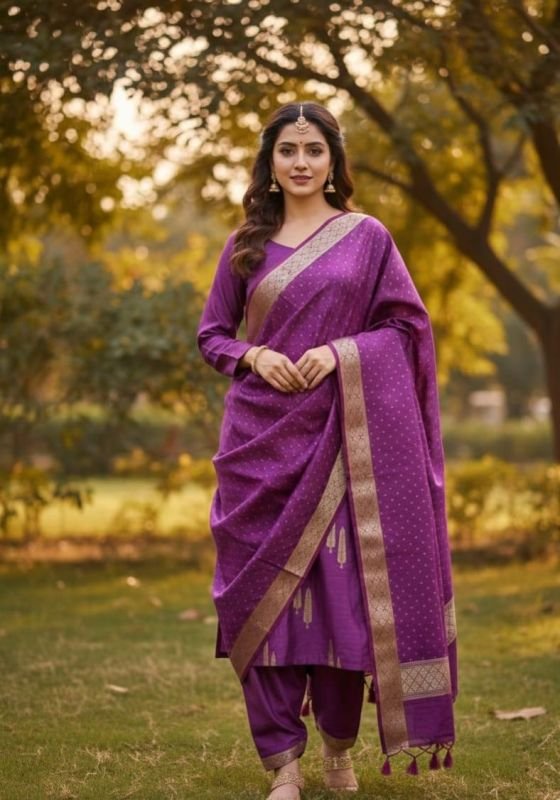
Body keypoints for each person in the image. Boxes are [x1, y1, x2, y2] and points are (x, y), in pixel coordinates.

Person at [196, 101, 458, 800]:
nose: (302, 162)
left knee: (342, 606)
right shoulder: (246, 245)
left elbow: (406, 329)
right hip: (258, 448)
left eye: (315, 149)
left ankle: (339, 749)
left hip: (344, 446)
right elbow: (212, 334)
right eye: (288, 150)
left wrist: (341, 352)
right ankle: (283, 764)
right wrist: (253, 356)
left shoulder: (367, 238)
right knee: (262, 606)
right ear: (270, 163)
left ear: (334, 161)